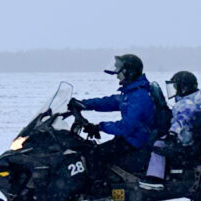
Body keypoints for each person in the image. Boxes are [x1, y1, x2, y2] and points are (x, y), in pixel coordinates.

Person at [72, 53, 169, 187]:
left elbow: (127, 126)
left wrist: (100, 127)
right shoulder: (132, 92)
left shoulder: (139, 96)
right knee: (94, 149)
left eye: (119, 71)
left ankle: (99, 192)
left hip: (137, 140)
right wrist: (83, 104)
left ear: (129, 72)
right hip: (132, 137)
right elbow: (111, 101)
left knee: (95, 154)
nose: (117, 75)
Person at [159, 70, 201, 170]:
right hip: (186, 137)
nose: (174, 91)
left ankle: (154, 177)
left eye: (176, 87)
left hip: (184, 140)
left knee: (158, 146)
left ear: (183, 89)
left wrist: (172, 133)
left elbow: (181, 120)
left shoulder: (187, 105)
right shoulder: (188, 102)